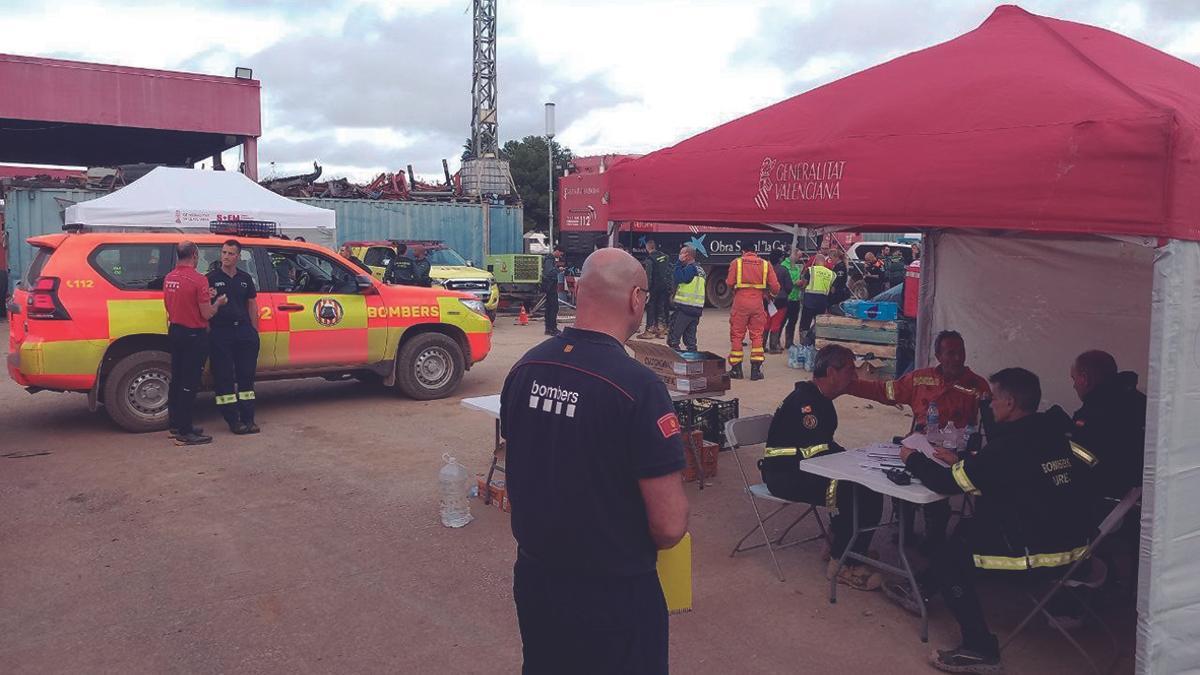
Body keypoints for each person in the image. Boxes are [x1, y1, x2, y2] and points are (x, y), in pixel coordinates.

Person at [500, 248, 689, 675]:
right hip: (614, 590)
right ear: (637, 299)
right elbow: (669, 524)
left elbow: (524, 465)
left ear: (576, 289)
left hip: (537, 579)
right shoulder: (637, 386)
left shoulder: (526, 367)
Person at [888, 368, 1091, 673]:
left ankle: (980, 648)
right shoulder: (1053, 435)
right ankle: (923, 590)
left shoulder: (1006, 447)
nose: (990, 404)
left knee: (947, 557)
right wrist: (966, 464)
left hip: (1041, 553)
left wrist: (911, 458)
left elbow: (946, 485)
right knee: (969, 528)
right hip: (1075, 544)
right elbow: (1019, 476)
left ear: (1009, 403)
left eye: (994, 399)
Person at [846, 330, 991, 550]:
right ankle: (904, 531)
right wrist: (848, 386)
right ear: (938, 355)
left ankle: (934, 539)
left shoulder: (977, 386)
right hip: (917, 447)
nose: (957, 358)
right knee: (898, 480)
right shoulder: (920, 378)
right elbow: (885, 391)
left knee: (937, 492)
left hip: (953, 455)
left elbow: (991, 424)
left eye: (960, 352)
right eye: (950, 353)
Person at [762, 344, 884, 590]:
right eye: (850, 370)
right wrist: (852, 462)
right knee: (858, 490)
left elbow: (823, 449)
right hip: (785, 474)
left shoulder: (820, 399)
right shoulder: (807, 405)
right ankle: (844, 564)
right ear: (831, 372)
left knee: (867, 483)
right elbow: (816, 453)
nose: (855, 376)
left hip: (804, 468)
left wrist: (854, 459)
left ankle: (844, 545)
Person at [164, 241, 225, 446]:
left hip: (176, 331)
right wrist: (217, 303)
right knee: (189, 383)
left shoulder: (170, 277)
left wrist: (206, 297)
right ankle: (185, 430)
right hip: (194, 335)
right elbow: (206, 313)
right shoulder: (199, 280)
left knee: (177, 379)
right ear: (194, 255)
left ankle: (175, 424)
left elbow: (171, 304)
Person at [1068, 350, 1146, 501]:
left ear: (1084, 379)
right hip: (1146, 495)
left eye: (1074, 378)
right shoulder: (1143, 403)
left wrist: (1065, 442)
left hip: (1110, 499)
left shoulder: (1091, 415)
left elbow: (1087, 459)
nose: (1074, 386)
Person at [206, 240, 261, 435]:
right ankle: (232, 420)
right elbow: (204, 307)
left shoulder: (245, 278)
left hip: (244, 332)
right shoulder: (211, 279)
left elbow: (252, 304)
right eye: (223, 252)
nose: (226, 256)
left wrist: (254, 331)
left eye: (230, 253)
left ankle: (249, 418)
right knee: (224, 378)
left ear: (238, 256)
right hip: (221, 333)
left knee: (247, 377)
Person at [726, 244, 780, 381]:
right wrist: (770, 294)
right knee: (757, 336)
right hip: (757, 303)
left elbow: (729, 282)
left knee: (737, 335)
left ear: (743, 251)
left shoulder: (736, 262)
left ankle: (736, 370)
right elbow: (775, 286)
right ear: (756, 252)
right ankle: (756, 371)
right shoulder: (766, 264)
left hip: (740, 302)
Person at [667, 244, 705, 352]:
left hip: (685, 308)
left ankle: (675, 361)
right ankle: (693, 360)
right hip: (696, 309)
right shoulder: (700, 269)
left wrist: (678, 263)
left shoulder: (690, 269)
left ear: (687, 256)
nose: (679, 255)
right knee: (690, 340)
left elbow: (678, 278)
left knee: (673, 338)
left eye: (681, 253)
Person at [637, 238, 672, 339]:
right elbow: (669, 271)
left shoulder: (649, 260)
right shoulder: (665, 257)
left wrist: (646, 289)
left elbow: (648, 276)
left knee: (651, 308)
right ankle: (661, 330)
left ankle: (649, 331)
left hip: (654, 287)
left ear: (648, 248)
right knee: (661, 307)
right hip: (665, 287)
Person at [797, 253, 835, 340]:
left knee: (805, 324)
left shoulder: (811, 270)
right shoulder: (831, 274)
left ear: (816, 261)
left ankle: (804, 343)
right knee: (819, 323)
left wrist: (800, 285)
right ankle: (817, 341)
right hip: (822, 302)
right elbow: (832, 289)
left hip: (809, 301)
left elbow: (804, 284)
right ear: (824, 262)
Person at [764, 250, 792, 354]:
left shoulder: (766, 269)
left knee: (766, 323)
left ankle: (761, 345)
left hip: (767, 299)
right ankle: (773, 346)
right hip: (781, 300)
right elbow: (789, 286)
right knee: (776, 323)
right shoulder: (784, 270)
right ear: (780, 259)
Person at [780, 247, 804, 349]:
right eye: (798, 256)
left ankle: (789, 343)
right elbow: (784, 282)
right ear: (793, 255)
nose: (799, 259)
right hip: (786, 298)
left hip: (795, 298)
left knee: (793, 322)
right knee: (782, 321)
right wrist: (795, 283)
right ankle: (775, 341)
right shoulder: (784, 266)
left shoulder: (797, 267)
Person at [541, 246, 564, 336]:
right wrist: (558, 270)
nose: (560, 256)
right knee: (553, 308)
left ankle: (549, 328)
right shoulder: (549, 259)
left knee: (550, 308)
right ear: (557, 251)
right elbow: (549, 272)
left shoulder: (550, 259)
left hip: (550, 286)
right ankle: (552, 329)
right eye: (560, 254)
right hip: (550, 287)